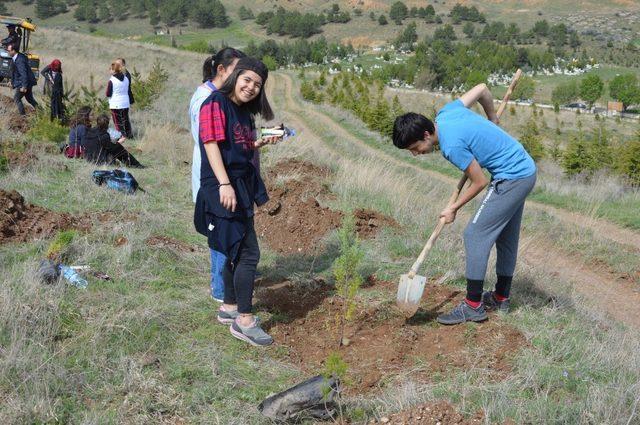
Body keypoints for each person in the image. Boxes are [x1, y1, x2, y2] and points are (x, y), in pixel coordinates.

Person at [392, 83, 537, 325]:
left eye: (415, 148)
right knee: (505, 237)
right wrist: (492, 117)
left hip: (512, 177)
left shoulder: (450, 146)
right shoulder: (446, 113)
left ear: (426, 135)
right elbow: (481, 89)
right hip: (525, 168)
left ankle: (472, 306)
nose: (416, 154)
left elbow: (479, 181)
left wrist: (453, 208)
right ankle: (501, 297)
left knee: (475, 234)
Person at [194, 57, 279, 346]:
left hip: (239, 186)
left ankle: (229, 307)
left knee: (235, 249)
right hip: (223, 187)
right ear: (235, 77)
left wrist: (258, 143)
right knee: (249, 254)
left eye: (258, 84)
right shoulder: (215, 103)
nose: (251, 87)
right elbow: (211, 144)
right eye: (247, 80)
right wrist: (224, 184)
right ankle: (244, 320)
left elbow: (235, 146)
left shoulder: (242, 112)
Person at [189, 48, 245, 303]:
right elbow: (211, 143)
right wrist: (224, 182)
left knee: (224, 232)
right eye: (238, 72)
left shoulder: (215, 97)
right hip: (214, 179)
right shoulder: (207, 100)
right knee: (221, 232)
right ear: (221, 70)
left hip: (219, 178)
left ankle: (224, 285)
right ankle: (221, 292)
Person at [7, 43, 38, 115]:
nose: (7, 52)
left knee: (17, 98)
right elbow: (14, 72)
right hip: (26, 82)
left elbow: (23, 74)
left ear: (13, 51)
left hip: (24, 82)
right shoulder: (15, 58)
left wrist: (24, 86)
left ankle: (22, 116)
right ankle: (41, 112)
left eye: (9, 50)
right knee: (29, 99)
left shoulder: (20, 60)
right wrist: (11, 82)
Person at [106, 60, 133, 139]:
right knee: (125, 119)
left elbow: (108, 93)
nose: (109, 70)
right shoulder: (126, 78)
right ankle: (129, 135)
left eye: (111, 69)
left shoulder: (112, 80)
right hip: (125, 102)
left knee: (117, 121)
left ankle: (121, 136)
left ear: (114, 70)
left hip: (116, 104)